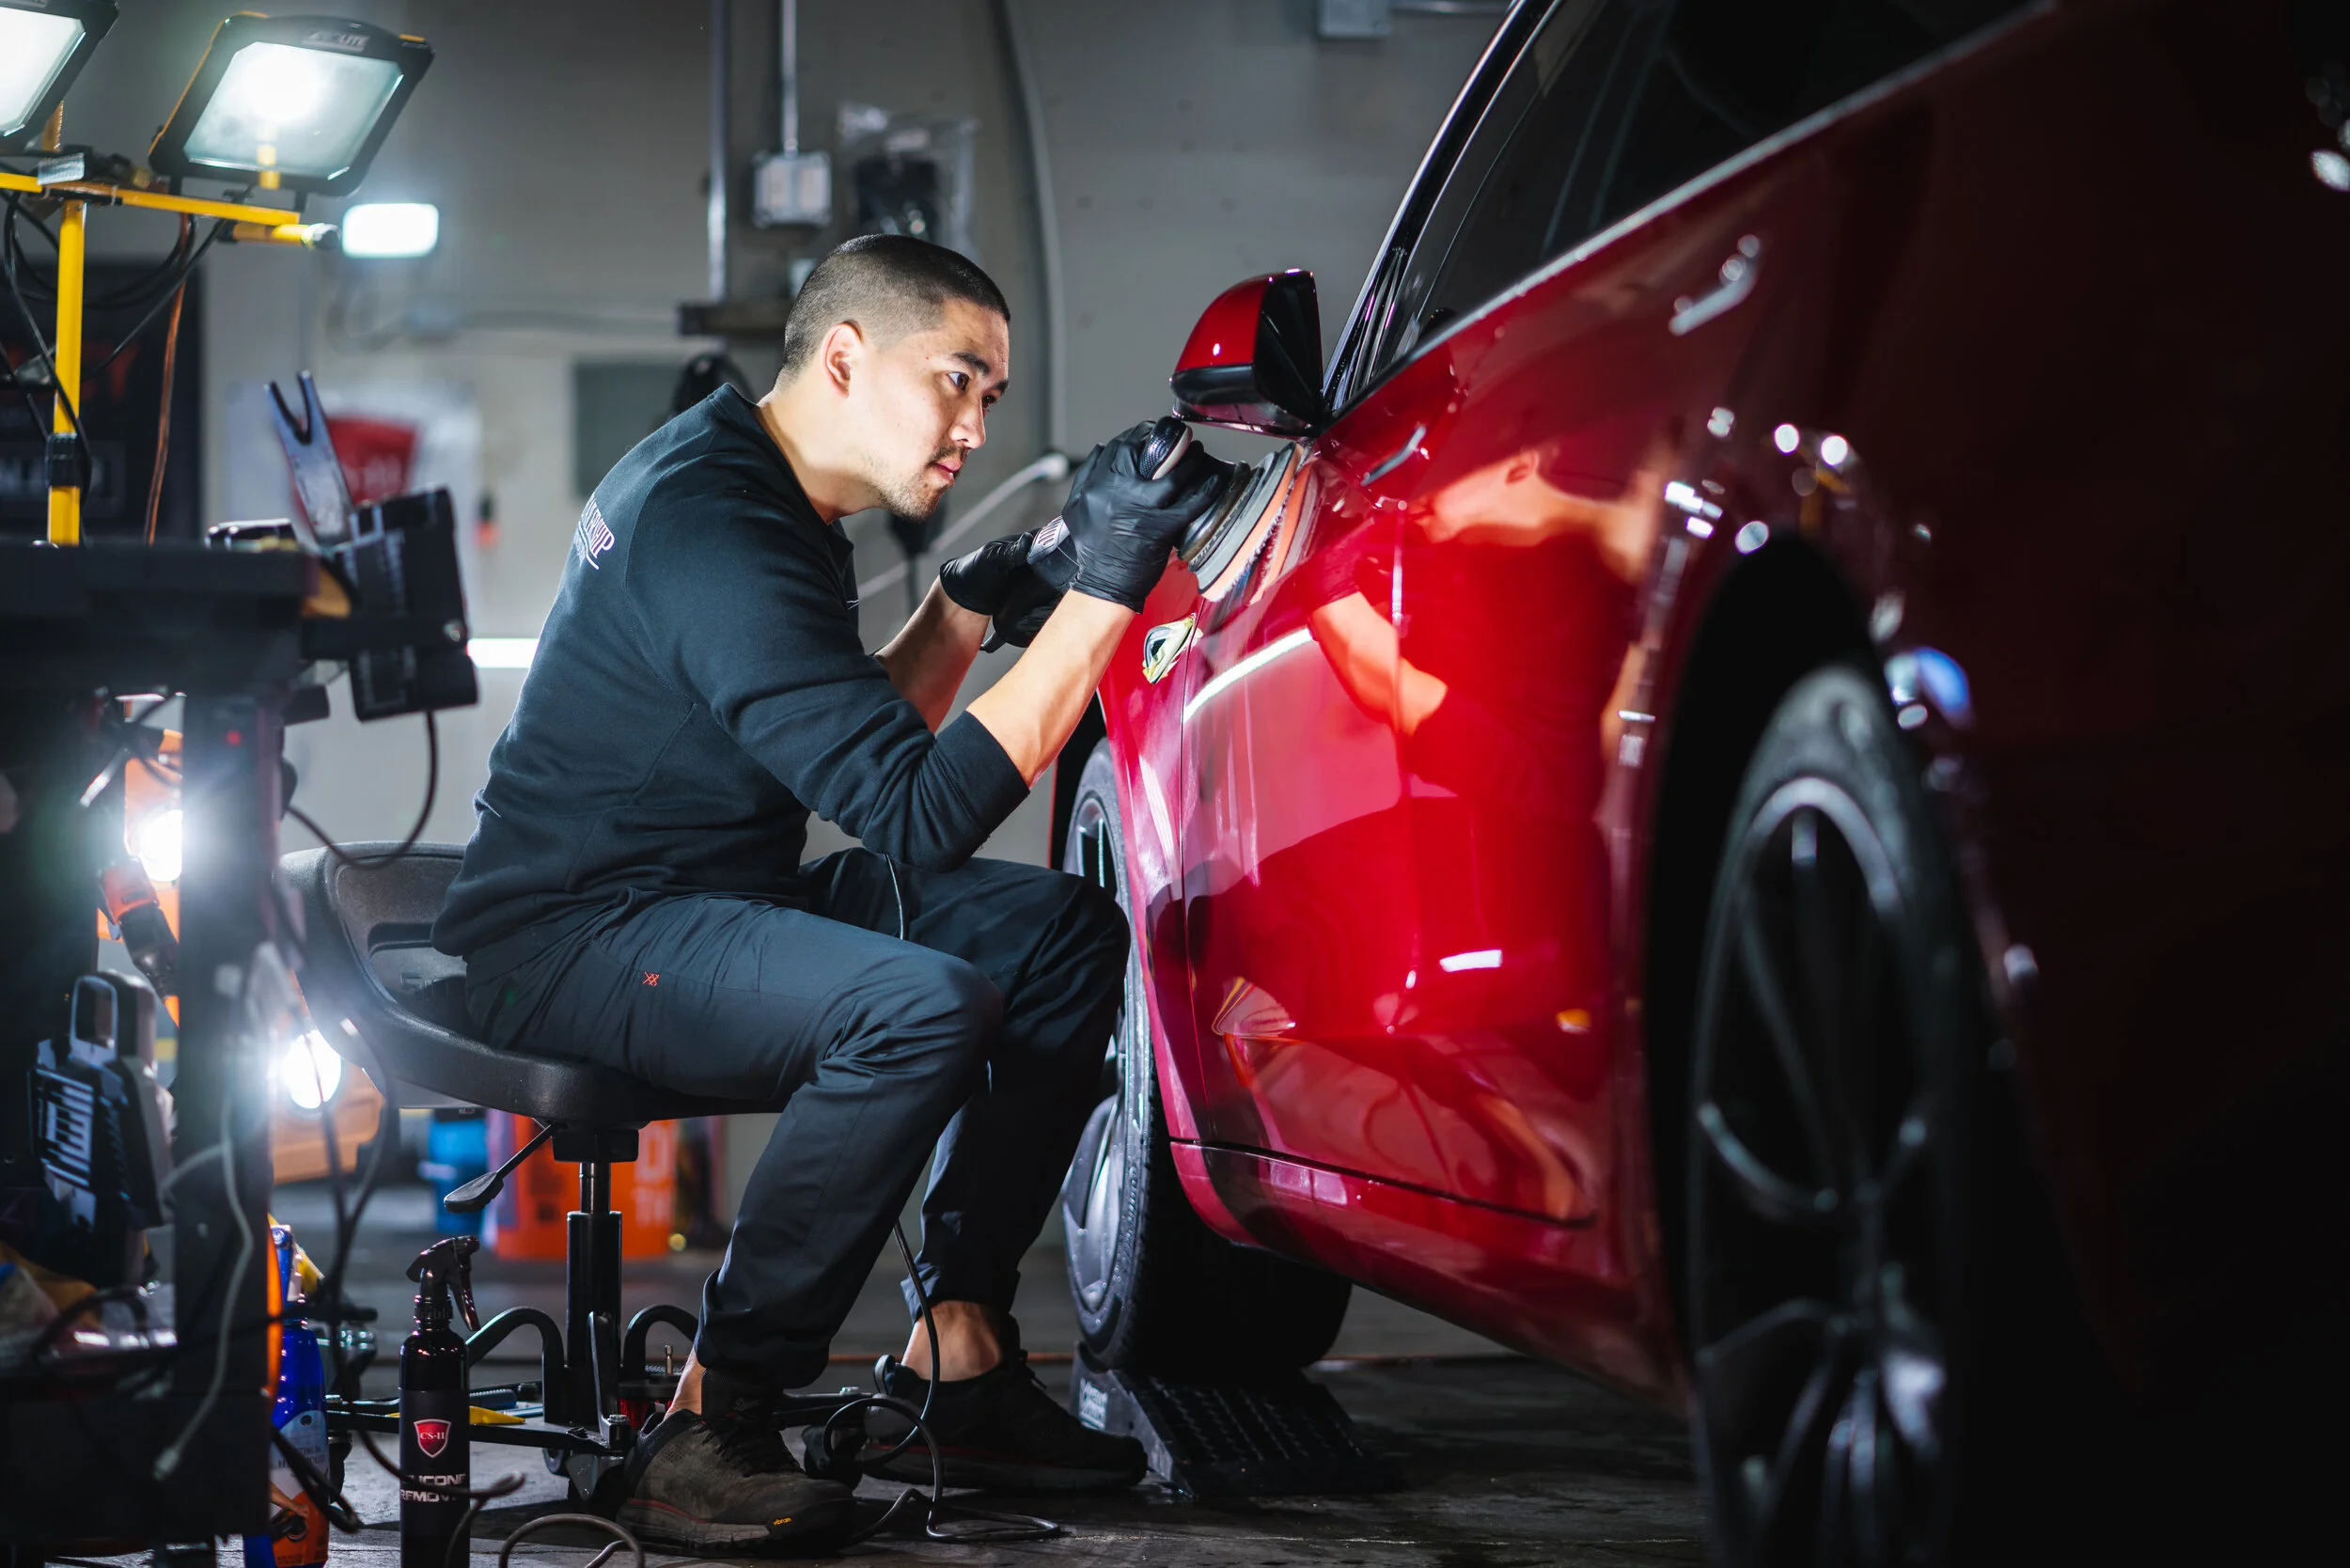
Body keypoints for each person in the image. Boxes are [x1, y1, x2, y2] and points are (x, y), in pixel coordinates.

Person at [431, 233, 1224, 1552]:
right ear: (847, 357)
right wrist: (1105, 589)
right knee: (917, 1008)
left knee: (1057, 932)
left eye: (992, 397)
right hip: (571, 936)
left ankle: (953, 1353)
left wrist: (970, 606)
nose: (976, 426)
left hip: (702, 896)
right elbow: (920, 816)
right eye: (959, 381)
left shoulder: (759, 487)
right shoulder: (715, 521)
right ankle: (710, 1421)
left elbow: (853, 761)